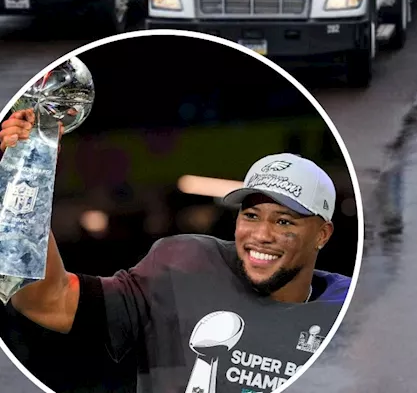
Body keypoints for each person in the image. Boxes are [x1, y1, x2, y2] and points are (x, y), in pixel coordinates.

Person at [0, 109, 351, 393]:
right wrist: (29, 175)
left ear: (322, 234)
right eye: (251, 215)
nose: (261, 235)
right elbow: (46, 300)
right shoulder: (184, 266)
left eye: (284, 222)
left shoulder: (351, 314)